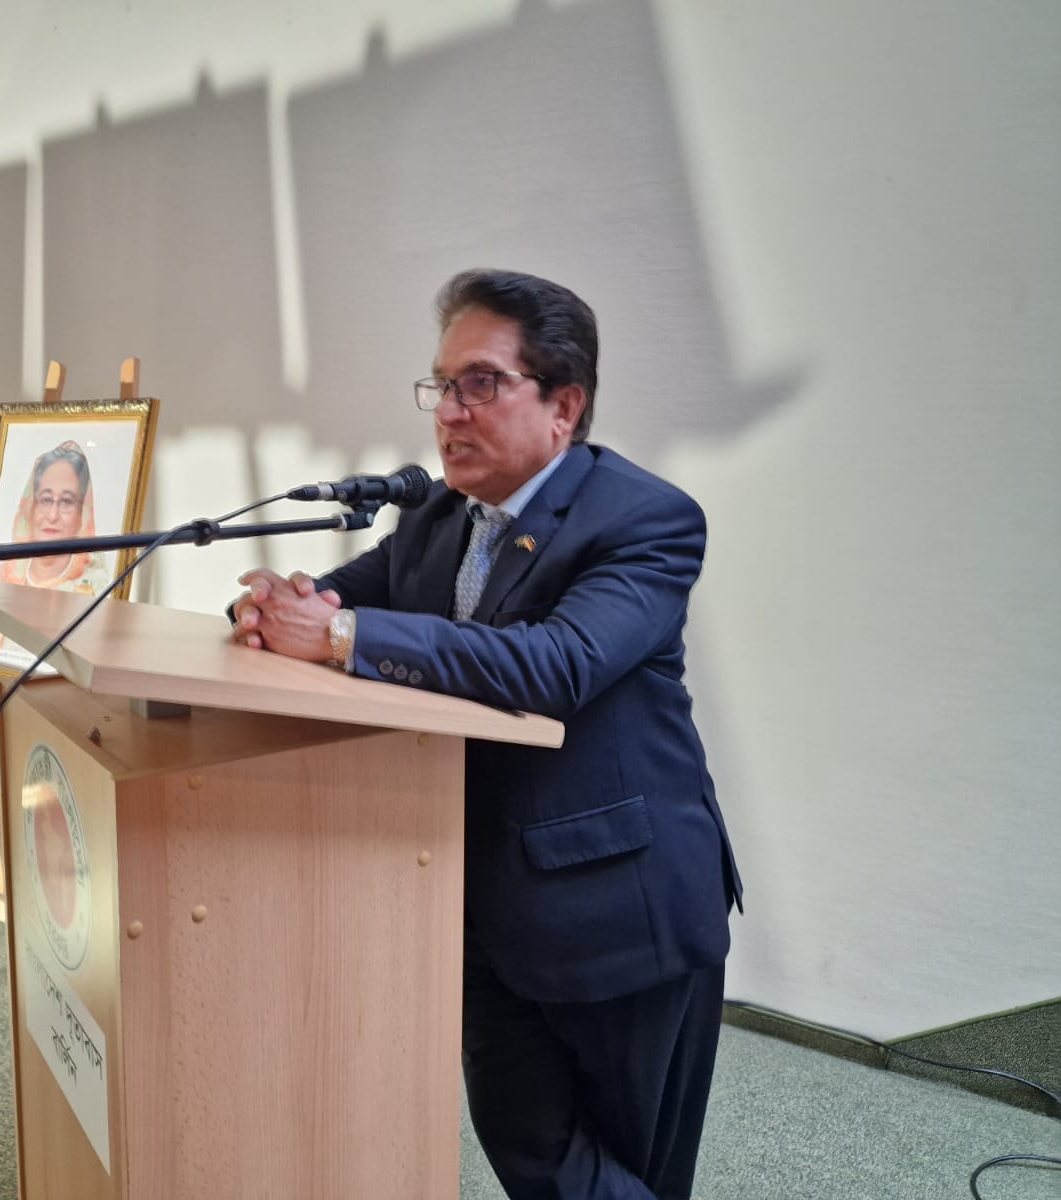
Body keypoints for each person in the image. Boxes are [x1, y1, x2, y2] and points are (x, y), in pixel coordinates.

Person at [230, 269, 741, 1200]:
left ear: (564, 406)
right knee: (526, 1143)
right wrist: (278, 603)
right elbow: (349, 593)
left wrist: (336, 636)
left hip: (623, 905)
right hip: (483, 901)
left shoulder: (646, 520)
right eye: (441, 385)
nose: (450, 412)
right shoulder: (438, 514)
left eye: (481, 384)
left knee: (633, 1164)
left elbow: (557, 664)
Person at [0, 441, 114, 652]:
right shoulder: (4, 579)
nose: (53, 515)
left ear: (81, 514)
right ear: (31, 506)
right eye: (46, 500)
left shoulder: (94, 593)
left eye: (66, 502)